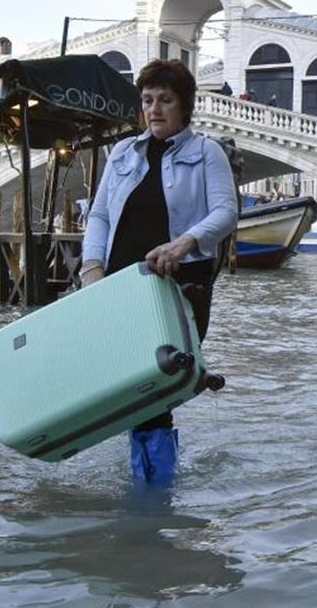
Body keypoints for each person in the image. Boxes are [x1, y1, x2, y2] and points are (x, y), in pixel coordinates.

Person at [80, 59, 239, 485]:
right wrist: (92, 267)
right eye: (148, 100)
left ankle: (152, 497)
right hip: (121, 286)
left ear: (184, 106)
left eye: (165, 100)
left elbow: (226, 212)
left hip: (181, 284)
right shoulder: (122, 153)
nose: (154, 109)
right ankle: (151, 486)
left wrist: (186, 241)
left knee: (155, 388)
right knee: (135, 385)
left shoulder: (207, 153)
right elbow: (98, 216)